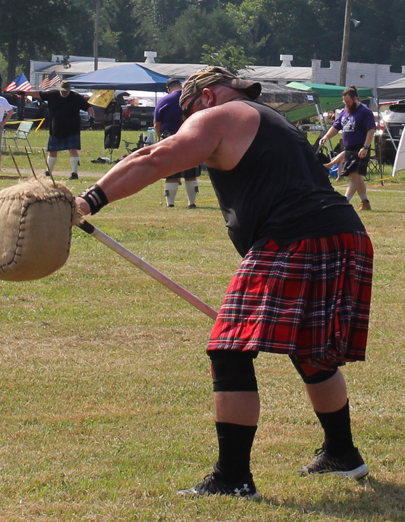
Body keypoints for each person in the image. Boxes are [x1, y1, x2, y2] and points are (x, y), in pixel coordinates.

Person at [75, 66, 373, 498]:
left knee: (228, 348)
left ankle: (232, 478)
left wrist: (89, 199)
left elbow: (153, 158)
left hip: (295, 236)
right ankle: (343, 454)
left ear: (207, 96)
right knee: (311, 350)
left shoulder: (219, 115)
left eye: (188, 111)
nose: (187, 122)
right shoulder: (271, 119)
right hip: (343, 235)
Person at [320, 86, 376, 210]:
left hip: (360, 148)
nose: (346, 104)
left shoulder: (365, 111)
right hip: (349, 148)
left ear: (355, 99)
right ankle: (365, 203)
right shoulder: (345, 112)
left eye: (348, 102)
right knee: (357, 176)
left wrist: (365, 147)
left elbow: (371, 130)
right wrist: (326, 137)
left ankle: (344, 204)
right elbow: (336, 126)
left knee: (353, 176)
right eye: (344, 102)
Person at [26, 81, 94, 180]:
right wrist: (25, 93)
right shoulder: (52, 94)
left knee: (72, 150)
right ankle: (48, 172)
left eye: (66, 91)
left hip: (72, 128)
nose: (65, 93)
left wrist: (91, 117)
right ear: (60, 89)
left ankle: (74, 174)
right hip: (56, 128)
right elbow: (39, 93)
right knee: (53, 150)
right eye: (63, 91)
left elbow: (89, 108)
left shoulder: (76, 97)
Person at [154, 78, 200, 207]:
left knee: (170, 172)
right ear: (181, 86)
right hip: (190, 135)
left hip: (170, 137)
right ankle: (192, 203)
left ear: (168, 89)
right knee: (191, 173)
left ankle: (170, 203)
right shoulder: (191, 98)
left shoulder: (164, 100)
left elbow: (157, 124)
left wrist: (159, 139)